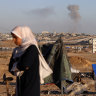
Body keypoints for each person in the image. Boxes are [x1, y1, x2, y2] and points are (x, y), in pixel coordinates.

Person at [8, 26, 40, 96]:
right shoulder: (16, 51)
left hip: (30, 86)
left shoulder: (32, 48)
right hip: (20, 85)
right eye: (13, 37)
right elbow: (10, 68)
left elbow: (25, 65)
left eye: (15, 37)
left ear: (24, 36)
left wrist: (16, 65)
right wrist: (17, 66)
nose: (13, 40)